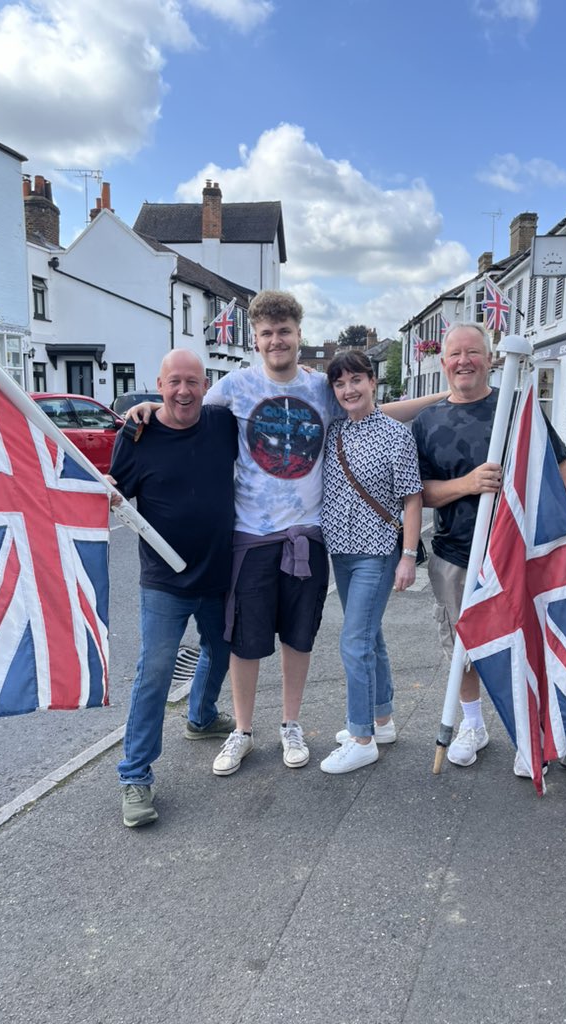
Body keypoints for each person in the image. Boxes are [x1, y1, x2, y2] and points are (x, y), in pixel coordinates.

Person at [127, 290, 447, 778]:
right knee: (245, 641)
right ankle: (243, 731)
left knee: (299, 639)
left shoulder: (322, 387)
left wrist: (447, 396)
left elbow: (382, 410)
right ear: (255, 340)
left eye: (285, 331)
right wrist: (152, 404)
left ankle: (290, 724)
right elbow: (184, 411)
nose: (277, 340)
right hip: (250, 536)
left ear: (299, 335)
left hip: (309, 536)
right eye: (267, 333)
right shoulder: (233, 387)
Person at [411, 322, 566, 776]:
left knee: (524, 637)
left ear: (490, 358)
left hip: (519, 552)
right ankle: (474, 726)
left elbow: (559, 462)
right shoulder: (428, 421)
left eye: (473, 352)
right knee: (465, 644)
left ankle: (526, 732)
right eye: (455, 354)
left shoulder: (517, 408)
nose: (463, 361)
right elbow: (420, 492)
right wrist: (467, 484)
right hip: (456, 554)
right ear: (443, 362)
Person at [109, 349, 238, 827]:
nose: (184, 391)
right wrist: (107, 493)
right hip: (164, 579)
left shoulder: (225, 424)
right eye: (174, 382)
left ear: (206, 386)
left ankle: (201, 717)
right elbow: (115, 498)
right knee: (155, 672)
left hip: (219, 571)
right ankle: (135, 776)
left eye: (193, 382)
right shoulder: (136, 433)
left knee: (223, 651)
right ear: (158, 385)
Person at [319, 350, 422, 774]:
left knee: (354, 642)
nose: (349, 390)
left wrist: (409, 557)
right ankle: (382, 720)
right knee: (370, 637)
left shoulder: (396, 435)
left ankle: (361, 737)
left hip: (378, 553)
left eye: (356, 380)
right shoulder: (334, 431)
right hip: (340, 553)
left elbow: (412, 497)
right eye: (340, 383)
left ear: (373, 382)